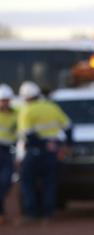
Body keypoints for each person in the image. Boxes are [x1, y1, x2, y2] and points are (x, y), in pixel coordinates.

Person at [16, 80, 72, 222]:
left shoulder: (27, 110)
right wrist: (67, 145)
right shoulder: (51, 107)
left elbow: (28, 135)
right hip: (52, 152)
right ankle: (48, 213)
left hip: (35, 152)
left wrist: (42, 145)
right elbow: (68, 127)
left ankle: (31, 213)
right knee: (50, 183)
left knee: (27, 182)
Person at [0, 84, 17, 225]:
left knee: (6, 182)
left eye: (6, 100)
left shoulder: (16, 114)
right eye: (2, 100)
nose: (4, 103)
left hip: (7, 150)